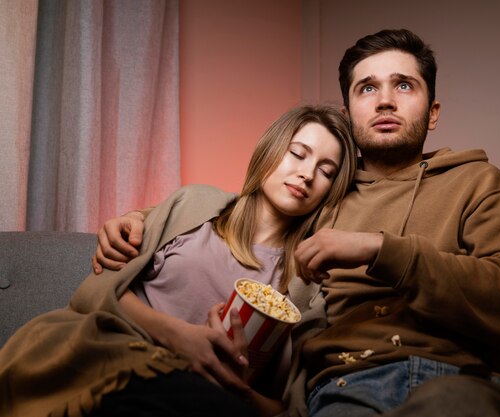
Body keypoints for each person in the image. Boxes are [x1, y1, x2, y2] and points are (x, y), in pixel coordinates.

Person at [92, 29, 500, 417]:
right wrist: (139, 219)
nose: (386, 100)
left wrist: (378, 249)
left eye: (404, 86)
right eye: (367, 88)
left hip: (466, 379)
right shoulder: (320, 202)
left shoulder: (477, 182)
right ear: (349, 115)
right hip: (346, 389)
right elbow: (244, 214)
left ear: (433, 112)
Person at [0, 105, 357, 417]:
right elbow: (94, 292)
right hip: (102, 352)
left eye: (326, 170)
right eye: (298, 153)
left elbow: (290, 406)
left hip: (200, 396)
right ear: (271, 149)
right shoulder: (194, 205)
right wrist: (179, 336)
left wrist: (239, 389)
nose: (307, 174)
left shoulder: (306, 286)